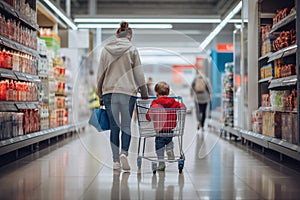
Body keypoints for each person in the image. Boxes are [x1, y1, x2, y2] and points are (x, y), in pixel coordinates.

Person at [97, 21, 148, 171]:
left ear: (116, 35)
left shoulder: (106, 50)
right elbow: (139, 73)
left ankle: (115, 162)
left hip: (109, 92)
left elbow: (100, 74)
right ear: (129, 36)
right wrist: (144, 92)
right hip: (128, 92)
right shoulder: (132, 50)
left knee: (114, 126)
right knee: (126, 125)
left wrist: (100, 93)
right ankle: (124, 153)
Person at [146, 81, 185, 171]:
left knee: (159, 146)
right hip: (170, 129)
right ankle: (169, 149)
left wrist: (148, 117)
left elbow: (149, 116)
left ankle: (161, 163)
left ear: (156, 93)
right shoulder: (173, 101)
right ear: (168, 92)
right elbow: (182, 107)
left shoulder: (155, 103)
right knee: (169, 140)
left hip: (160, 130)